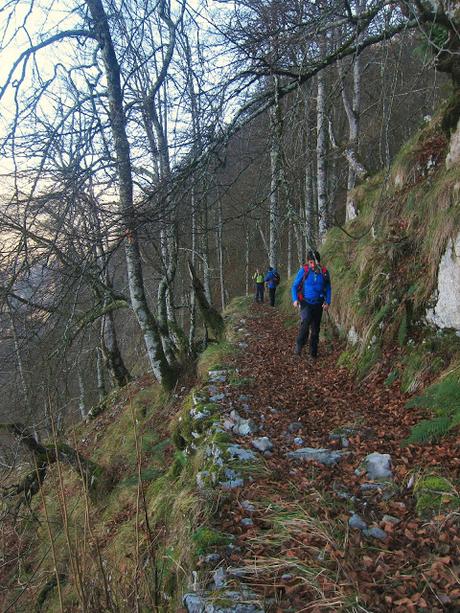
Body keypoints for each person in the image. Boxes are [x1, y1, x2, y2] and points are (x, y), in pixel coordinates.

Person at [291, 250, 331, 358]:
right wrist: (295, 299)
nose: (312, 265)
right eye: (310, 262)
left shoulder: (324, 272)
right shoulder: (304, 271)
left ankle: (313, 354)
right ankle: (298, 348)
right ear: (308, 262)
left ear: (318, 261)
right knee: (305, 324)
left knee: (315, 329)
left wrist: (327, 302)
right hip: (305, 303)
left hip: (318, 304)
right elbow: (294, 286)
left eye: (314, 262)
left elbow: (328, 288)